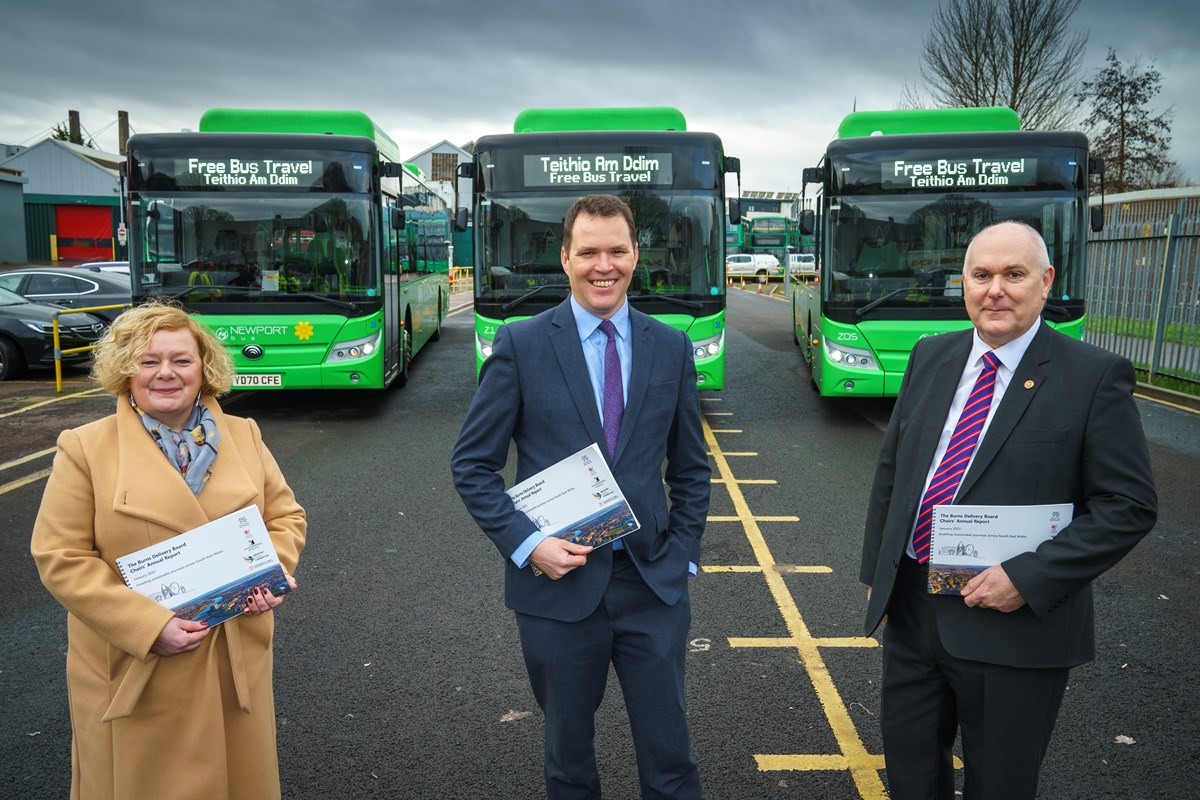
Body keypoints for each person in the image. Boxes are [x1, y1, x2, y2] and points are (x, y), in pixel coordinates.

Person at [860, 221, 1157, 800]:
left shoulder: (1093, 377)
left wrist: (1027, 577)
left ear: (1045, 283)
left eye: (1013, 275)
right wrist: (878, 577)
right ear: (964, 283)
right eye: (981, 274)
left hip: (1013, 627)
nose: (995, 289)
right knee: (910, 775)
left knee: (1000, 785)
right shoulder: (931, 356)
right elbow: (893, 475)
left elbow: (1128, 505)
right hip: (915, 611)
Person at [452, 194, 710, 799]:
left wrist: (683, 554)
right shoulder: (521, 344)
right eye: (589, 251)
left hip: (652, 586)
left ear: (635, 256)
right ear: (565, 258)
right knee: (568, 763)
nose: (604, 265)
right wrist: (529, 545)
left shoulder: (670, 346)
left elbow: (692, 468)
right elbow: (472, 464)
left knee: (672, 759)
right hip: (558, 590)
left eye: (617, 251)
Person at [30, 301, 306, 800]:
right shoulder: (85, 447)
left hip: (231, 651)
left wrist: (267, 574)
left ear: (205, 369)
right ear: (125, 370)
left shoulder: (245, 434)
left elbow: (285, 518)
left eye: (181, 360)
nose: (166, 374)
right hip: (133, 663)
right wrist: (147, 626)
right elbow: (60, 556)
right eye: (148, 360)